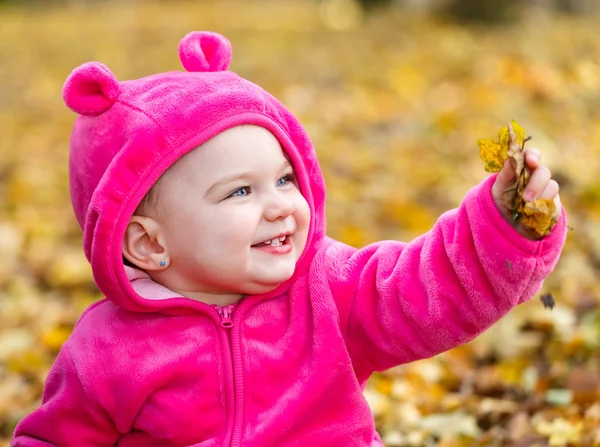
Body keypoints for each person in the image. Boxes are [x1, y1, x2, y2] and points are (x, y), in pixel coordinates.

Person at [12, 31, 566, 447]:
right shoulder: (107, 351)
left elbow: (425, 290)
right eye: (239, 193)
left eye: (283, 179)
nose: (280, 204)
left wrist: (503, 228)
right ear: (149, 244)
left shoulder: (327, 287)